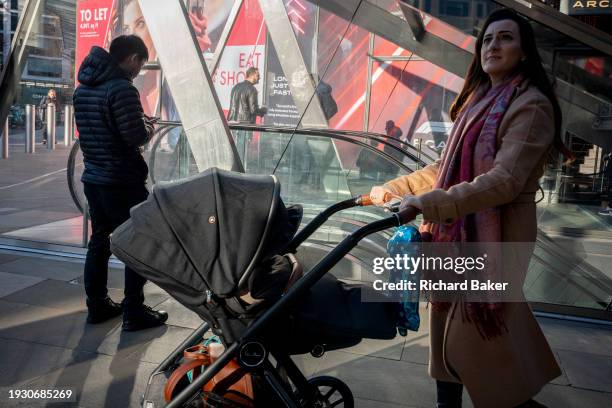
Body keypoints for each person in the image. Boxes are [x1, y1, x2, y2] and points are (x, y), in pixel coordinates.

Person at [370, 9, 568, 407]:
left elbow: (504, 180)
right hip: (458, 237)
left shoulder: (531, 106)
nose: (493, 46)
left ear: (525, 52)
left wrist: (427, 205)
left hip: (496, 240)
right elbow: (446, 170)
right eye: (488, 39)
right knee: (446, 348)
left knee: (474, 352)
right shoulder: (479, 101)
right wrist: (393, 189)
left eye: (506, 38)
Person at [73, 35, 168, 331]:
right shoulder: (121, 89)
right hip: (123, 181)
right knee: (138, 242)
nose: (139, 69)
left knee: (100, 241)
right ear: (131, 58)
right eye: (140, 63)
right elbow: (134, 136)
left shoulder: (82, 89)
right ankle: (133, 309)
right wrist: (149, 126)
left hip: (94, 178)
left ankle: (97, 304)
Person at [227, 67, 267, 165]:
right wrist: (263, 111)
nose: (259, 78)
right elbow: (253, 110)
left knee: (234, 149)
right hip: (245, 124)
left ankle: (233, 168)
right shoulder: (252, 90)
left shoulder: (236, 87)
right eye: (258, 75)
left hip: (232, 122)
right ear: (252, 75)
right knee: (243, 151)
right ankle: (240, 171)